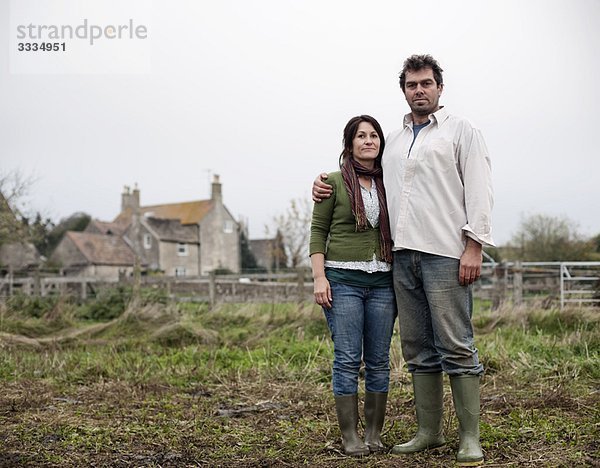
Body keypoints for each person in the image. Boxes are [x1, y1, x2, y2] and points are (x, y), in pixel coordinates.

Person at [312, 55, 494, 466]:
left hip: (446, 253)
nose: (420, 90)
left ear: (439, 88)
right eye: (412, 85)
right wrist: (322, 182)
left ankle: (469, 438)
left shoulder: (461, 131)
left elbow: (480, 190)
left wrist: (475, 245)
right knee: (416, 348)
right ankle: (428, 432)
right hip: (401, 256)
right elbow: (360, 172)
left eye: (427, 83)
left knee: (456, 344)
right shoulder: (393, 139)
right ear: (404, 91)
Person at [309, 115, 397, 457]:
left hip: (383, 283)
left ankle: (374, 434)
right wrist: (320, 277)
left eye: (374, 135)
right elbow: (318, 233)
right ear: (350, 144)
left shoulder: (391, 182)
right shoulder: (331, 182)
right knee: (347, 359)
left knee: (378, 360)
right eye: (361, 136)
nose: (368, 141)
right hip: (343, 282)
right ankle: (350, 436)